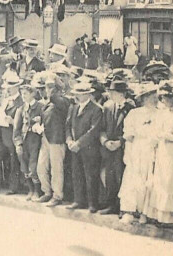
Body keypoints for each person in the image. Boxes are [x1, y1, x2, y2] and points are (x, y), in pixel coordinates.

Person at [119, 84, 159, 223]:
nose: (154, 98)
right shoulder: (134, 113)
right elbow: (129, 135)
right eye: (150, 95)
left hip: (153, 149)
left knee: (149, 178)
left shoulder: (160, 113)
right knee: (133, 177)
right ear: (144, 98)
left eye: (155, 94)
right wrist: (128, 152)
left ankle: (145, 212)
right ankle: (129, 211)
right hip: (137, 148)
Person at [144, 81, 173, 226]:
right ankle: (162, 216)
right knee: (162, 181)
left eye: (168, 97)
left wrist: (171, 137)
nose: (164, 100)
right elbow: (155, 131)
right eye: (163, 97)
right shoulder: (162, 113)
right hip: (162, 152)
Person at [65, 81, 103, 213]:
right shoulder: (73, 108)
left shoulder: (96, 109)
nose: (77, 96)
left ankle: (92, 203)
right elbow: (68, 126)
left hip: (89, 149)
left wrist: (79, 143)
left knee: (90, 175)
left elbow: (93, 131)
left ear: (88, 94)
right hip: (74, 147)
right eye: (76, 94)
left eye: (81, 94)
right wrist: (69, 140)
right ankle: (78, 200)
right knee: (77, 174)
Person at [97, 79, 132, 215]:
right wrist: (105, 141)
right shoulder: (107, 106)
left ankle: (122, 207)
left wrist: (120, 142)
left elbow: (132, 129)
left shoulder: (130, 108)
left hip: (123, 148)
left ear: (122, 93)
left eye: (113, 92)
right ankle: (111, 205)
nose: (110, 95)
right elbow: (102, 128)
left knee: (121, 176)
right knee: (109, 176)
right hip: (109, 147)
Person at [38, 74, 72, 207]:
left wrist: (54, 85)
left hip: (57, 139)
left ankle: (57, 195)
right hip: (46, 137)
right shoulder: (48, 102)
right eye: (47, 87)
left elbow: (59, 104)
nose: (48, 89)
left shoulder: (63, 100)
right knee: (41, 166)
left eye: (51, 87)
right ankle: (46, 192)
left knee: (56, 169)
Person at [0, 73, 23, 196]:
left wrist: (13, 122)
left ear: (17, 87)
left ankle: (13, 187)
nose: (7, 89)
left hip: (12, 135)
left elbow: (23, 120)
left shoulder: (21, 101)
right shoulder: (4, 99)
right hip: (1, 134)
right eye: (7, 87)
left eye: (10, 87)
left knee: (14, 162)